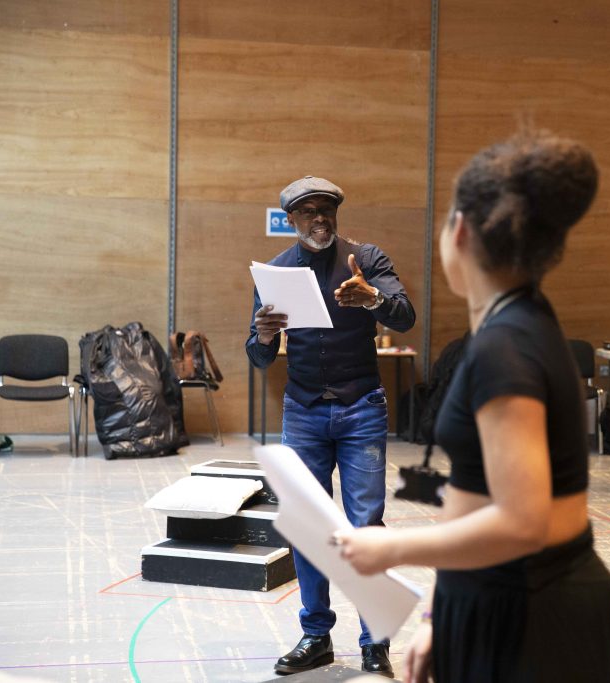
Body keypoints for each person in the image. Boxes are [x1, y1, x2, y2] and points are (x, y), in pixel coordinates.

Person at [334, 130, 610, 682]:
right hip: (503, 596)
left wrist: (390, 548)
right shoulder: (514, 323)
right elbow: (475, 492)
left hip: (533, 615)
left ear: (459, 232)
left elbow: (520, 521)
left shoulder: (505, 346)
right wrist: (440, 614)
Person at [246, 175, 416, 677]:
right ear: (291, 220)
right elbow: (257, 358)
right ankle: (316, 636)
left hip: (361, 406)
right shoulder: (275, 272)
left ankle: (374, 642)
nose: (319, 218)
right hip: (303, 412)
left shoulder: (368, 259)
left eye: (327, 210)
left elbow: (405, 317)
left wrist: (374, 300)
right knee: (308, 527)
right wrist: (261, 335)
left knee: (366, 526)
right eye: (308, 212)